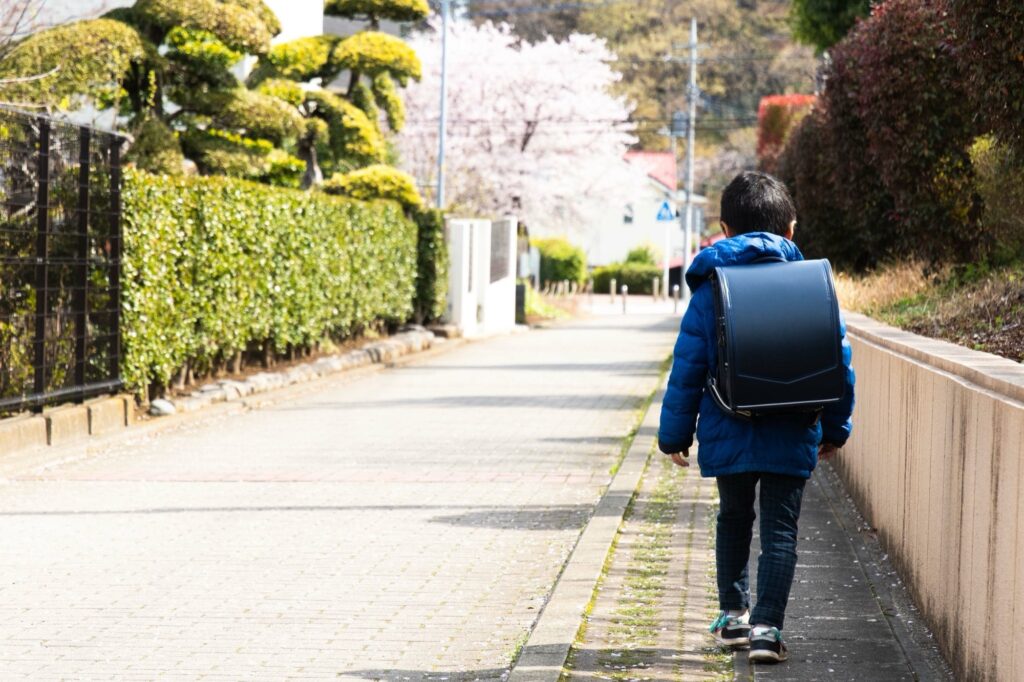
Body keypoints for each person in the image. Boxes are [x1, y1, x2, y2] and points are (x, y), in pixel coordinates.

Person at [657, 171, 855, 664]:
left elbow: (687, 368)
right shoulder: (813, 284)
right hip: (793, 426)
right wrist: (835, 429)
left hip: (729, 426)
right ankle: (767, 630)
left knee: (733, 518)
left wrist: (674, 436)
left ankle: (732, 616)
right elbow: (839, 361)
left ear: (724, 229)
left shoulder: (710, 289)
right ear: (790, 229)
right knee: (781, 531)